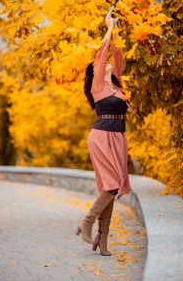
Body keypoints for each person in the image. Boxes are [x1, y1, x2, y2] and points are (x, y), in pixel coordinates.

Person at [76, 15, 132, 256]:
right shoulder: (97, 85)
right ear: (95, 71)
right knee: (110, 184)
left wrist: (116, 30)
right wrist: (108, 29)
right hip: (101, 137)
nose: (106, 62)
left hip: (118, 137)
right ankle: (86, 222)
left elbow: (117, 54)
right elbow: (102, 54)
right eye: (100, 63)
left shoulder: (117, 86)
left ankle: (102, 240)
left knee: (113, 187)